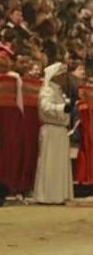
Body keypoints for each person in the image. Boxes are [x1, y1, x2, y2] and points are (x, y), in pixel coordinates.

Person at [33, 62, 73, 204]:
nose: (64, 78)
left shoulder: (58, 90)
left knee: (58, 164)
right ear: (56, 76)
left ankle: (59, 195)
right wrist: (63, 108)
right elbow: (45, 107)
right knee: (49, 164)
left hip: (59, 131)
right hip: (51, 130)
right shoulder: (47, 89)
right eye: (62, 75)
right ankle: (47, 196)